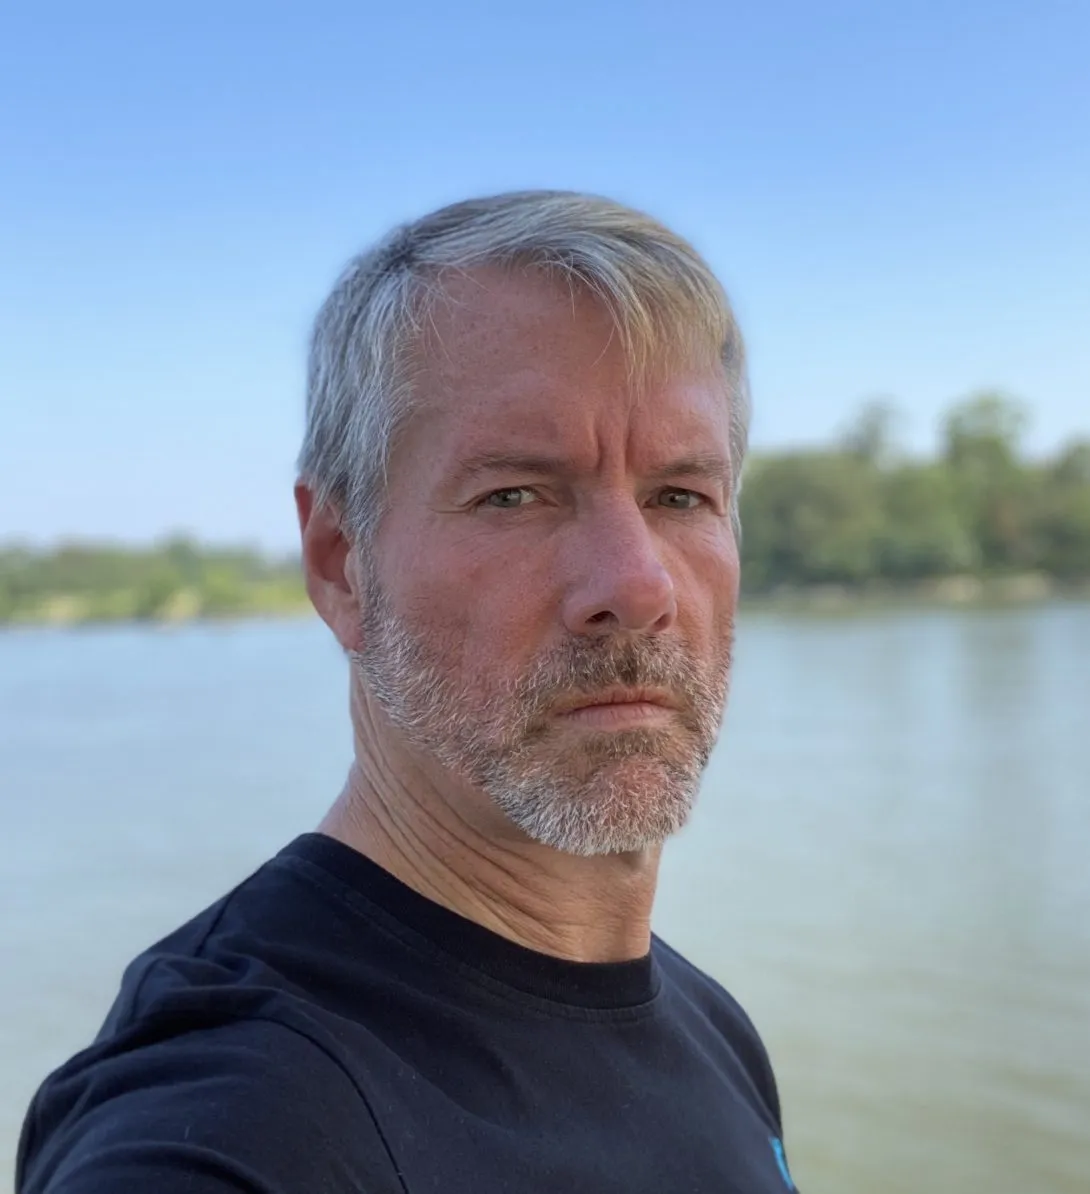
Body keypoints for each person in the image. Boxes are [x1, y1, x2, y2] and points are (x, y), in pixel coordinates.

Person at [16, 191, 798, 1193]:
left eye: (681, 495)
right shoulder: (243, 1112)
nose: (638, 586)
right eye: (514, 494)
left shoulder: (711, 1029)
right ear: (341, 564)